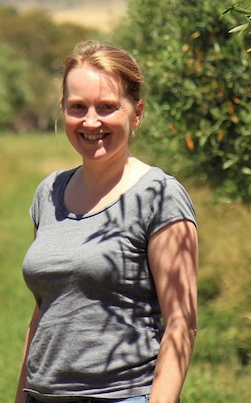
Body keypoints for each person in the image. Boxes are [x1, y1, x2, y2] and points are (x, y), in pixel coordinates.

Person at [15, 41, 199, 403]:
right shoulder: (48, 193)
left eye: (107, 107)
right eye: (78, 107)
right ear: (63, 111)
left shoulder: (159, 197)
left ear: (137, 112)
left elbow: (182, 324)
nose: (91, 121)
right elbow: (43, 312)